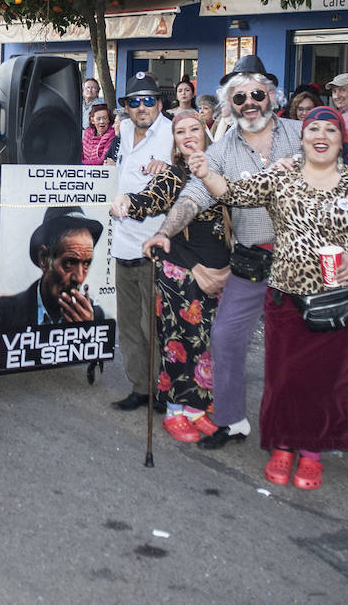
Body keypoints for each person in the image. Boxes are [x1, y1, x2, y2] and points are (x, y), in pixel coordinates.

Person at [182, 106, 348, 489]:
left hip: (340, 301)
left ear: (342, 139)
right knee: (283, 378)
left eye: (331, 129)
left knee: (326, 382)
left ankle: (311, 453)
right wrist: (205, 172)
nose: (321, 135)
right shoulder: (282, 178)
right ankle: (282, 446)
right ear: (303, 138)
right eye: (314, 129)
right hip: (286, 298)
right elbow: (234, 192)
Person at [150, 55, 301, 449]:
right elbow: (195, 194)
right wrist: (166, 230)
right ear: (228, 104)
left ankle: (293, 431)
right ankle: (232, 420)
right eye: (238, 97)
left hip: (302, 260)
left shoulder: (302, 133)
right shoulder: (221, 150)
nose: (249, 102)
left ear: (271, 95)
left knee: (292, 349)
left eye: (256, 94)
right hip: (251, 258)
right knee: (226, 336)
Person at [112, 109, 229, 442]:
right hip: (180, 274)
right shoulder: (175, 176)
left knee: (209, 346)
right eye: (181, 132)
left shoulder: (223, 171)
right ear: (174, 141)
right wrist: (126, 201)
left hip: (220, 274)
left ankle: (198, 407)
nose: (189, 136)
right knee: (179, 343)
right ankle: (177, 408)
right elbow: (148, 199)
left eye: (195, 129)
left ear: (207, 133)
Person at [101, 72, 174, 411]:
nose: (142, 107)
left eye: (148, 100)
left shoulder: (174, 132)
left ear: (160, 103)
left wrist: (173, 166)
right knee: (129, 325)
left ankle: (164, 390)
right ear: (126, 107)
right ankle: (140, 387)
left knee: (153, 325)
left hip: (155, 245)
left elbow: (189, 173)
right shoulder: (124, 132)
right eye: (134, 101)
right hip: (123, 243)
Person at [0, 206, 104, 338]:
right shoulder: (6, 311)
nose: (79, 278)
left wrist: (87, 335)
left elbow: (97, 357)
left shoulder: (93, 315)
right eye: (69, 262)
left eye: (86, 264)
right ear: (44, 259)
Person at [82, 101, 117, 166]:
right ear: (92, 120)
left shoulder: (112, 134)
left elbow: (103, 159)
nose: (102, 122)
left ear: (109, 120)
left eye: (105, 118)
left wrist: (81, 163)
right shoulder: (88, 132)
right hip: (83, 171)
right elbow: (81, 153)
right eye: (98, 119)